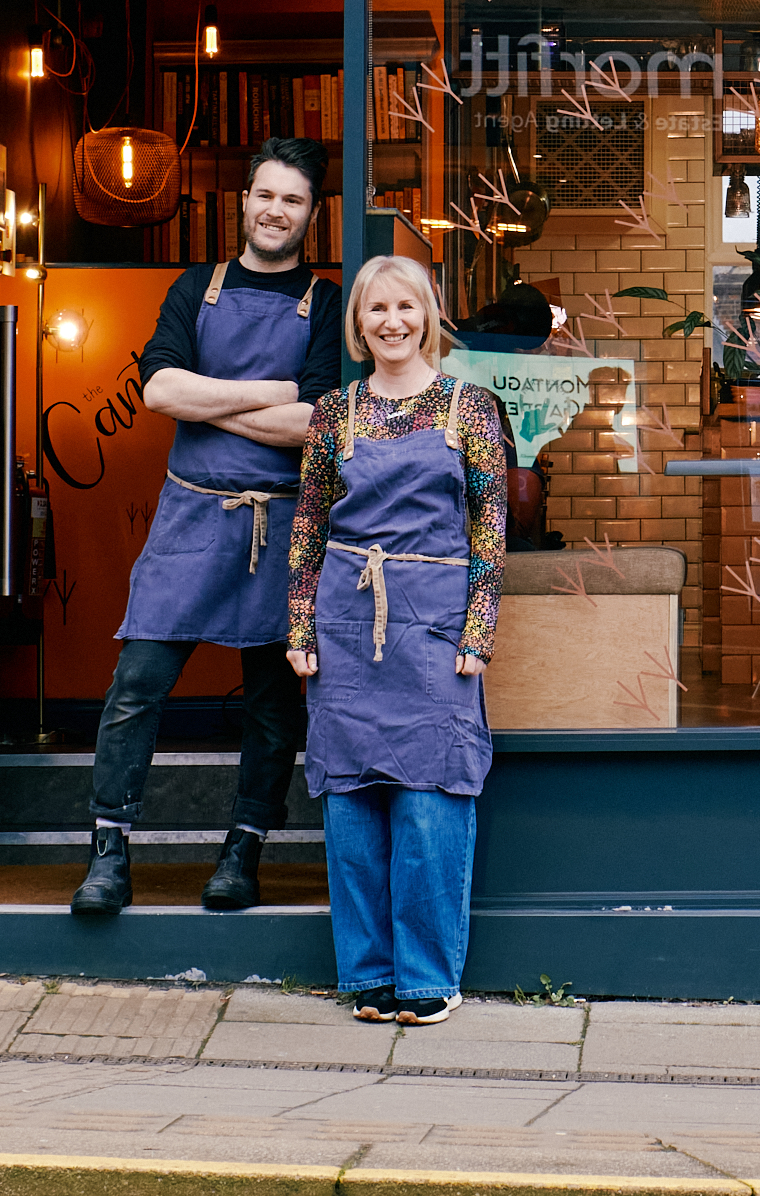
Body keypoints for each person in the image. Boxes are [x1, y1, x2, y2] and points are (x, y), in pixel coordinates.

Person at [70, 137, 340, 918]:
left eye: (292, 200)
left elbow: (315, 423)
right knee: (136, 685)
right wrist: (271, 392)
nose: (276, 211)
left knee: (273, 705)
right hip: (190, 514)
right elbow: (159, 392)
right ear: (245, 200)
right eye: (266, 195)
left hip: (282, 525)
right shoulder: (196, 287)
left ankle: (242, 852)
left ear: (311, 214)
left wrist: (211, 399)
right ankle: (109, 853)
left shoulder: (325, 303)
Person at [284, 254, 508, 1027]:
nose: (392, 322)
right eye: (376, 309)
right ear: (358, 322)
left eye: (405, 307)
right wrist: (300, 623)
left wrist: (479, 629)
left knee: (429, 798)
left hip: (436, 624)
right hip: (347, 625)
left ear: (428, 317)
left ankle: (426, 979)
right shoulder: (333, 413)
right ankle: (370, 975)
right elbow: (308, 524)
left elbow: (490, 527)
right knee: (350, 801)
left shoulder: (468, 408)